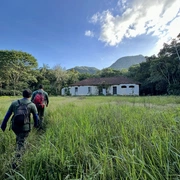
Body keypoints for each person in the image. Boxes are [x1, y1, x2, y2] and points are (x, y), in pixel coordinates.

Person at [1, 89, 39, 168]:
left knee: (19, 139)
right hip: (25, 128)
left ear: (22, 94)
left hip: (15, 126)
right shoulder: (31, 104)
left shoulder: (14, 103)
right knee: (21, 143)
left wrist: (3, 125)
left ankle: (19, 152)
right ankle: (16, 163)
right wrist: (36, 125)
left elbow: (7, 115)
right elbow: (36, 117)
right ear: (30, 96)